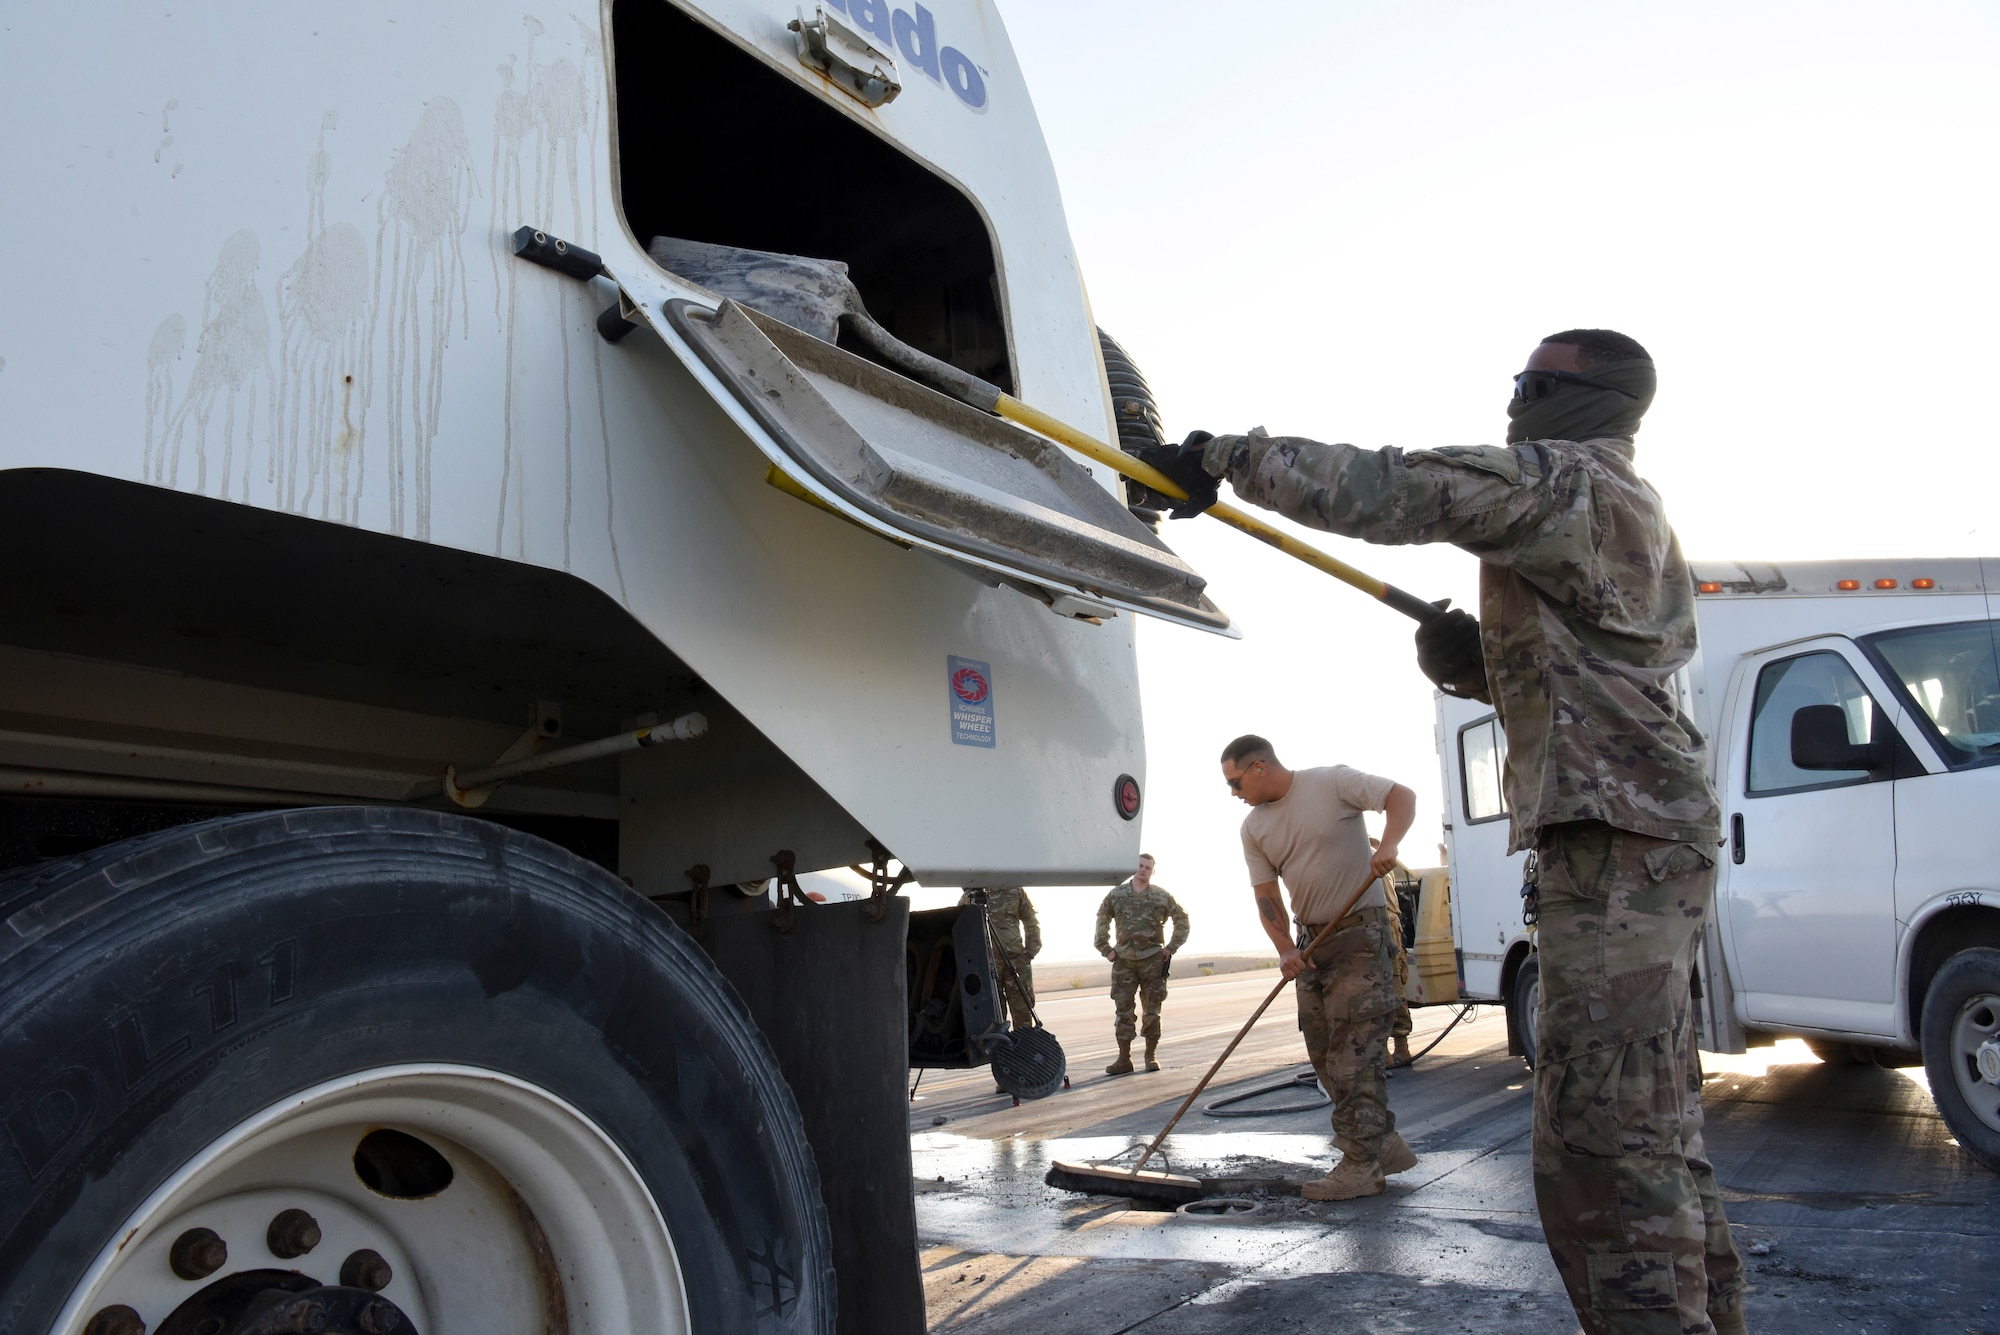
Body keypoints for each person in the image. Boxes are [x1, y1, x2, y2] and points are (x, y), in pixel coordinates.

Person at [1141, 330, 1746, 1334]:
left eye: (1525, 385)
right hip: (1640, 838)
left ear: (1567, 396)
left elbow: (1390, 490)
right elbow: (1591, 683)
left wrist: (1219, 457)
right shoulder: (1616, 508)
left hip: (1613, 846)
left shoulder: (1563, 480)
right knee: (1652, 1126)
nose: (1511, 404)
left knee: (1598, 1151)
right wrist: (1475, 665)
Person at [1223, 735, 1419, 1200]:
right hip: (1313, 946)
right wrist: (1286, 948)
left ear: (1258, 768)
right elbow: (1266, 895)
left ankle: (1360, 1165)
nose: (1233, 793)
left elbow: (1401, 796)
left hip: (1359, 937)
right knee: (1324, 1057)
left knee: (1354, 1058)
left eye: (1235, 782)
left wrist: (1388, 843)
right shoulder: (1254, 827)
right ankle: (1381, 1142)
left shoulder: (1332, 782)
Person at [1092, 854, 1189, 1075]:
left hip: (1153, 961)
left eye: (1147, 867)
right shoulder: (1117, 895)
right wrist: (1105, 948)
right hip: (1124, 961)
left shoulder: (1161, 896)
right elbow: (1102, 917)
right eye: (1140, 866)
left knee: (1152, 1011)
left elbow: (1182, 919)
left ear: (1152, 872)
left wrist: (1171, 947)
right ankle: (1124, 1059)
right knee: (1123, 1012)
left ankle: (1150, 1056)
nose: (1143, 870)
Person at [1372, 838, 1417, 1067]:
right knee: (1395, 986)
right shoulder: (1382, 858)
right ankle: (1402, 1048)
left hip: (1375, 926)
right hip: (1392, 925)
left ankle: (1385, 1053)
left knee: (1375, 988)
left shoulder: (1361, 856)